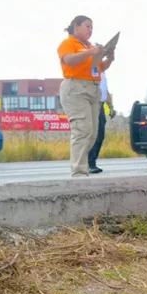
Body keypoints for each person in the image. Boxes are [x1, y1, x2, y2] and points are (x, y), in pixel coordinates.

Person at [57, 15, 114, 177]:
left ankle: (84, 164)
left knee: (93, 132)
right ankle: (79, 170)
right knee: (82, 129)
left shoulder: (88, 46)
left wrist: (109, 58)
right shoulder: (68, 43)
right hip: (76, 88)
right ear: (76, 26)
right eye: (87, 26)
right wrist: (90, 52)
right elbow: (69, 60)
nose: (90, 30)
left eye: (92, 28)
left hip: (93, 88)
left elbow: (99, 68)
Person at [87, 70, 114, 174]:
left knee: (100, 135)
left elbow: (105, 90)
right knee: (93, 134)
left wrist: (110, 105)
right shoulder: (90, 68)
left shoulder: (102, 72)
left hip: (101, 105)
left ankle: (92, 161)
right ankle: (90, 163)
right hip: (91, 104)